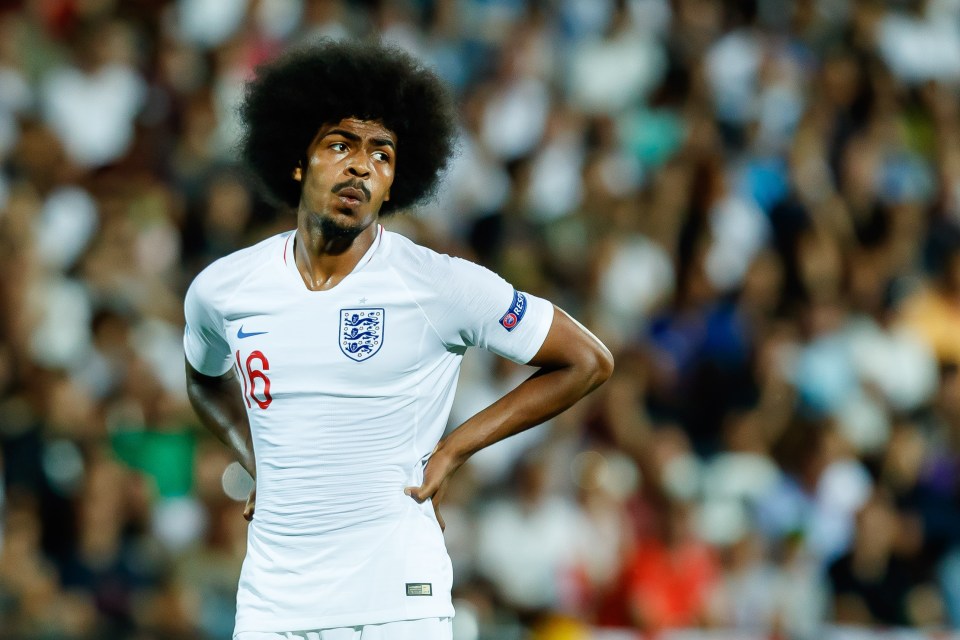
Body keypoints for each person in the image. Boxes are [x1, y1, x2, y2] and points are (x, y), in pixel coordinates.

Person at [183, 39, 613, 640]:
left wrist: (454, 449)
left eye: (381, 154)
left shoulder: (437, 284)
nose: (361, 166)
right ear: (297, 161)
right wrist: (254, 458)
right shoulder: (224, 289)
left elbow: (586, 360)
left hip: (395, 603)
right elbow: (202, 375)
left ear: (395, 182)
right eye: (340, 145)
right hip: (271, 606)